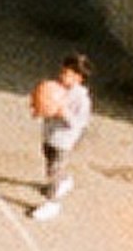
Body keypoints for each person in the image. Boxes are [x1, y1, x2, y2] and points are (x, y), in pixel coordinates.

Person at [26, 58, 92, 221]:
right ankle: (64, 181)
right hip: (49, 134)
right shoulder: (55, 88)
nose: (62, 76)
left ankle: (53, 203)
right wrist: (38, 107)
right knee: (48, 159)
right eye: (62, 72)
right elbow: (45, 103)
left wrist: (64, 114)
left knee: (54, 169)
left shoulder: (82, 100)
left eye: (67, 74)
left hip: (64, 140)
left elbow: (80, 123)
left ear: (79, 77)